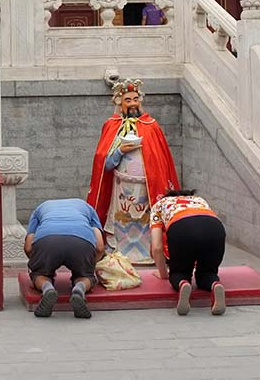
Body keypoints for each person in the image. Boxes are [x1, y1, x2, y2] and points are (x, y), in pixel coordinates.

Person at [86, 78, 179, 264]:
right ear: (120, 103)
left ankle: (150, 251)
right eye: (128, 100)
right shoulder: (112, 125)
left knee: (147, 221)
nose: (133, 103)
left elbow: (161, 160)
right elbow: (105, 164)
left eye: (136, 99)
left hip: (147, 190)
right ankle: (120, 252)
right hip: (121, 189)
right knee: (123, 219)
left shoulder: (151, 126)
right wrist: (120, 150)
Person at [150, 189, 227, 316]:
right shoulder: (199, 200)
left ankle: (183, 283)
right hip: (215, 229)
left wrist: (163, 274)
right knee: (207, 273)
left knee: (179, 273)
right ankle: (214, 284)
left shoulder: (159, 205)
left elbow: (157, 247)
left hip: (181, 228)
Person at [24, 198, 105, 319]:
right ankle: (79, 289)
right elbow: (100, 246)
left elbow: (28, 247)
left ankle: (47, 288)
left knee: (40, 274)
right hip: (81, 241)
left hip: (48, 240)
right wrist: (90, 265)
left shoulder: (40, 208)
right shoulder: (88, 208)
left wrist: (37, 265)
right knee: (85, 276)